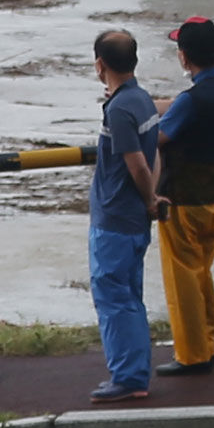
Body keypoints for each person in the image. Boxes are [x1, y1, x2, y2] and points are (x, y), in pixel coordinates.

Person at [154, 16, 214, 376]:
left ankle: (193, 355)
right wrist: (155, 104)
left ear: (184, 57)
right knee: (202, 275)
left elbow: (158, 137)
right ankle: (207, 343)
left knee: (183, 283)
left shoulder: (191, 101)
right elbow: (182, 107)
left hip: (182, 203)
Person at [87, 30, 164, 403]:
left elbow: (136, 164)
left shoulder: (119, 109)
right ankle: (135, 372)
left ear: (100, 65)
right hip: (133, 218)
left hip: (115, 218)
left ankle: (129, 377)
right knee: (130, 297)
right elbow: (154, 156)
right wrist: (152, 199)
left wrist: (148, 196)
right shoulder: (141, 100)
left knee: (114, 298)